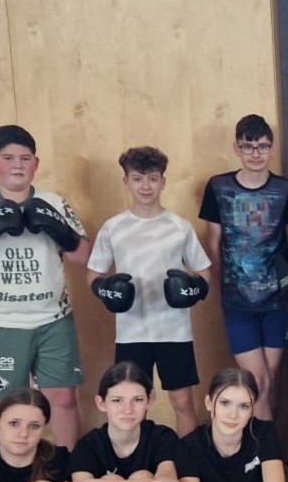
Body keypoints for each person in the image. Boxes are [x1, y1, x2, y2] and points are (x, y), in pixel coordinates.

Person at [0, 124, 92, 448]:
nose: (17, 165)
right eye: (8, 158)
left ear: (36, 163)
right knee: (2, 404)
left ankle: (67, 467)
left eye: (25, 158)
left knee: (63, 398)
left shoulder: (54, 202)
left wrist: (60, 231)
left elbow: (85, 257)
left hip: (53, 319)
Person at [88, 146, 213, 436]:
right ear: (126, 181)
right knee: (130, 405)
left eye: (153, 178)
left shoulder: (179, 227)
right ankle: (135, 459)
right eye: (138, 178)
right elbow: (94, 273)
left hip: (174, 330)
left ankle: (185, 459)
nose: (146, 186)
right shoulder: (113, 227)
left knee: (182, 401)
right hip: (131, 331)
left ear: (163, 181)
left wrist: (194, 289)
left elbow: (204, 271)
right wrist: (105, 289)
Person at [200, 114, 288, 422]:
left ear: (272, 148)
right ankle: (264, 448)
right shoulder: (218, 187)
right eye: (248, 147)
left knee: (272, 380)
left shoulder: (286, 189)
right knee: (257, 382)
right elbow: (213, 245)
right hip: (238, 302)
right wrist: (219, 292)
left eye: (263, 146)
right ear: (237, 148)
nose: (256, 154)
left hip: (277, 301)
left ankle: (271, 444)